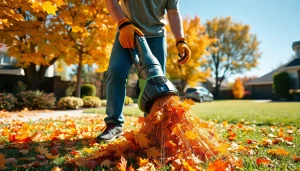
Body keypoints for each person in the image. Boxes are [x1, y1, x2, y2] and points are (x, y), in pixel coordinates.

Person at [97, 0, 191, 142]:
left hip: (157, 37)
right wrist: (122, 23)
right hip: (128, 31)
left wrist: (180, 40)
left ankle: (151, 127)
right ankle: (114, 124)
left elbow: (173, 12)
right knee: (116, 71)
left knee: (156, 84)